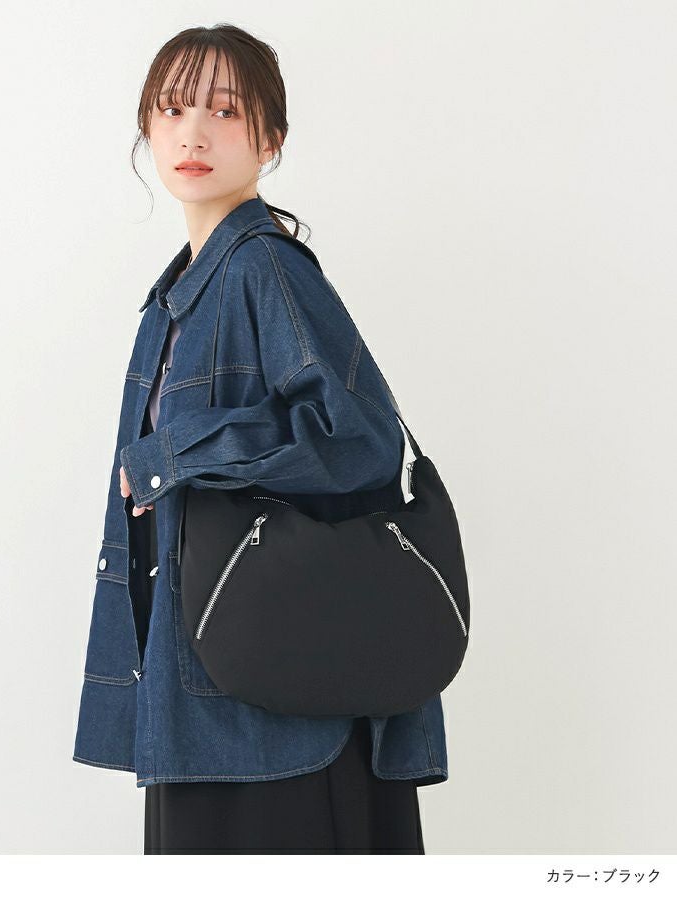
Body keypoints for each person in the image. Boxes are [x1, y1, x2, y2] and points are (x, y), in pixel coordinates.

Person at [73, 23, 449, 854]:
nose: (193, 134)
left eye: (225, 111)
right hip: (218, 688)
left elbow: (358, 437)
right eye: (173, 109)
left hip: (273, 710)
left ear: (270, 139)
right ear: (147, 130)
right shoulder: (181, 293)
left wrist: (175, 455)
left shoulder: (263, 268)